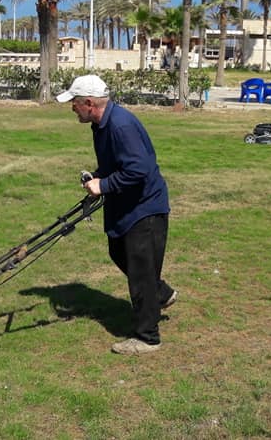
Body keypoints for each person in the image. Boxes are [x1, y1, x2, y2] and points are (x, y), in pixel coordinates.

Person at [56, 74, 177, 355]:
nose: (72, 107)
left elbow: (139, 170)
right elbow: (118, 163)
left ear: (89, 103)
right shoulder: (101, 124)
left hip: (145, 207)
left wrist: (105, 185)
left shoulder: (121, 125)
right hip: (128, 204)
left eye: (74, 102)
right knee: (118, 251)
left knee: (140, 271)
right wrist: (98, 176)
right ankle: (161, 293)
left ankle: (148, 337)